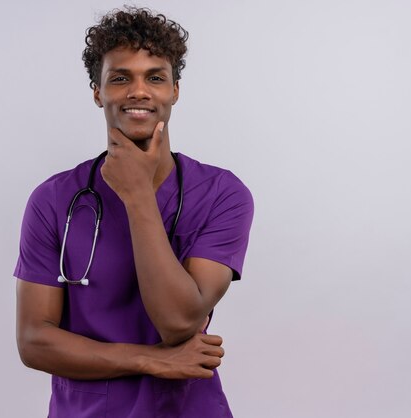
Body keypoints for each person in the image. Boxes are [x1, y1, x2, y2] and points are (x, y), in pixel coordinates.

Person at [14, 7, 254, 417]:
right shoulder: (54, 199)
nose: (138, 91)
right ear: (97, 92)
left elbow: (178, 323)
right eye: (120, 78)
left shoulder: (222, 194)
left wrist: (138, 195)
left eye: (155, 77)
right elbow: (35, 340)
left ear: (175, 90)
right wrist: (150, 359)